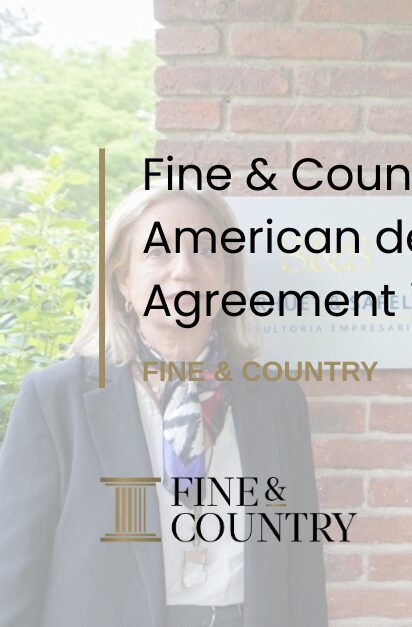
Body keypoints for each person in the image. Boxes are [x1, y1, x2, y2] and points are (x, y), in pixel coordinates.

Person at [0, 187, 327, 627]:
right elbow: (14, 579)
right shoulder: (55, 400)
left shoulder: (276, 401)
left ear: (226, 278)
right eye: (158, 252)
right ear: (123, 280)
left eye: (205, 251)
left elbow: (301, 571)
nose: (184, 270)